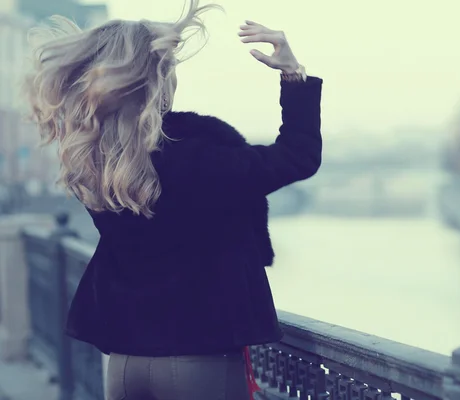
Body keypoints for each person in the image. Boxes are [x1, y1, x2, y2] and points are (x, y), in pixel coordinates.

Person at [23, 1, 323, 399]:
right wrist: (292, 72)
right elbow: (297, 156)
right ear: (157, 81)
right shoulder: (197, 156)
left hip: (126, 366)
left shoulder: (97, 160)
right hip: (200, 365)